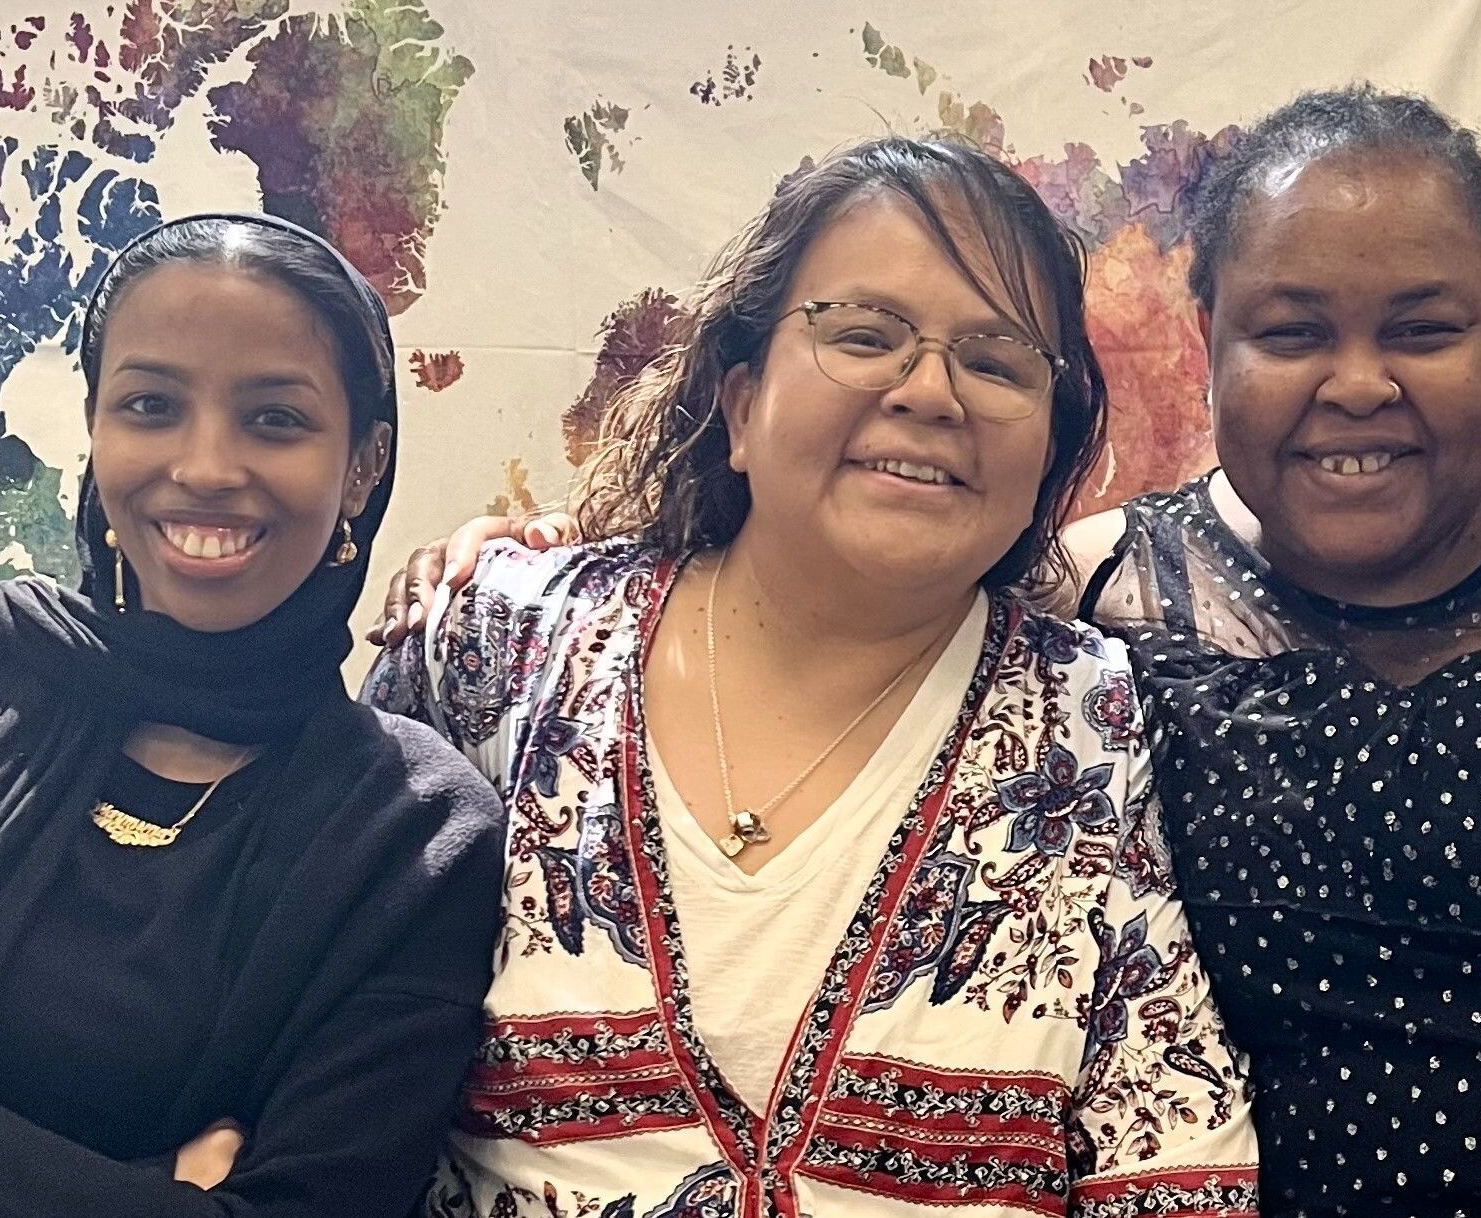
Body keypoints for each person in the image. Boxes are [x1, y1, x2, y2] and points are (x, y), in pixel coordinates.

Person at [355, 89, 1481, 1215]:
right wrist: (522, 557)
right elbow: (846, 544)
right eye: (1290, 329)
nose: (1360, 380)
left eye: (1425, 326)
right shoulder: (1108, 602)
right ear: (1203, 349)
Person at [369, 136, 1259, 1216]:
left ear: (1048, 447)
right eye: (866, 335)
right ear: (741, 405)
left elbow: (1172, 1156)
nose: (932, 391)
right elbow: (309, 1032)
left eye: (996, 360)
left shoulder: (1104, 724)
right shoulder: (500, 647)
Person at [0, 213, 503, 1216]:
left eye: (275, 419)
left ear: (363, 463)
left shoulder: (414, 836)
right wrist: (138, 1194)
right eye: (152, 405)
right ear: (97, 428)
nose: (206, 466)